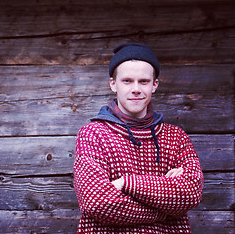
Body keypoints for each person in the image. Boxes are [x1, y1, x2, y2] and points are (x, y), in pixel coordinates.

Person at [73, 43, 203, 233]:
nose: (136, 89)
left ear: (154, 85)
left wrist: (126, 183)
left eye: (143, 81)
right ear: (113, 84)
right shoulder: (93, 134)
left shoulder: (176, 137)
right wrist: (164, 211)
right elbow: (97, 203)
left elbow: (191, 193)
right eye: (127, 81)